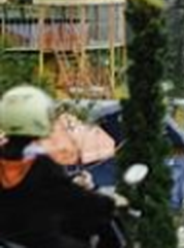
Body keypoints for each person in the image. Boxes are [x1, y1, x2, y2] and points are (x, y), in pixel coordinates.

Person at [0, 85, 119, 248]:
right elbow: (70, 195)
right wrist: (108, 203)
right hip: (39, 239)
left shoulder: (9, 158)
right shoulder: (40, 163)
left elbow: (46, 188)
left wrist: (71, 182)